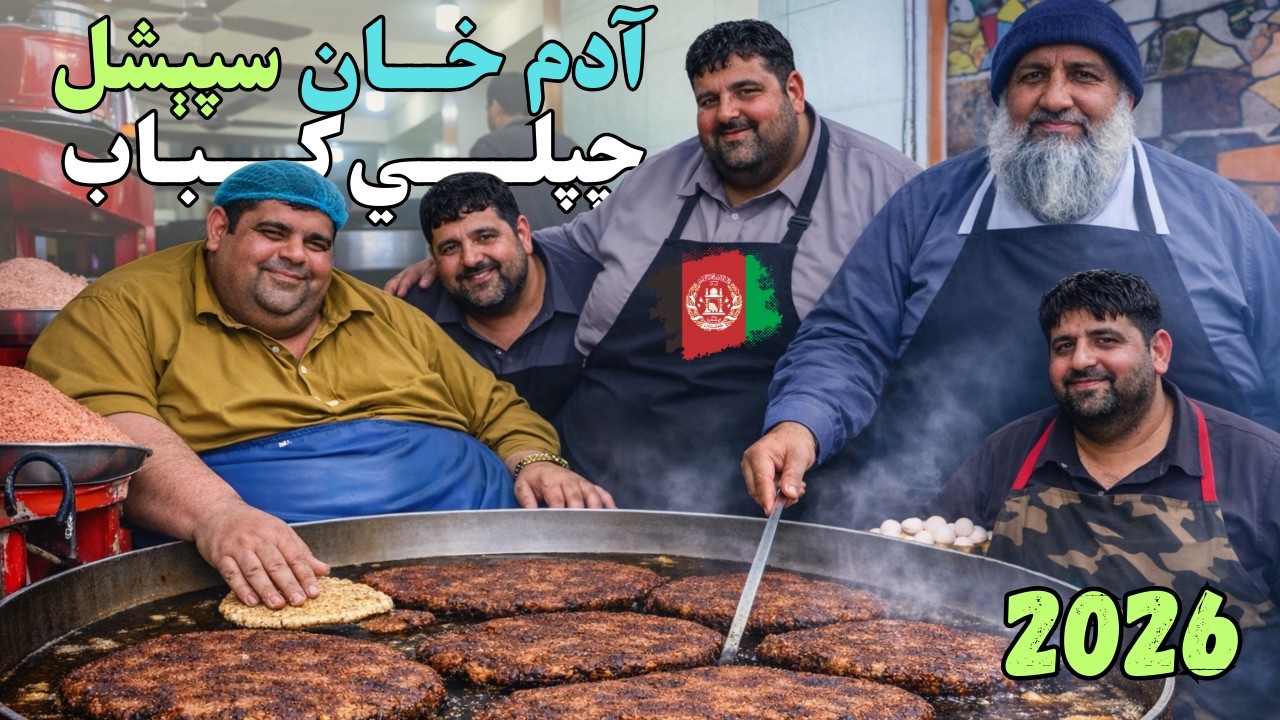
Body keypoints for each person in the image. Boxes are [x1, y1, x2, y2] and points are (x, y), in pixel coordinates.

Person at [743, 0, 1280, 528]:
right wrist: (800, 423)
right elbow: (847, 336)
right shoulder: (930, 205)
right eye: (1032, 76)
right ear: (1004, 98)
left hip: (1185, 546)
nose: (1055, 97)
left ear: (1125, 99)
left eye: (1084, 75)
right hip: (947, 536)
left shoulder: (1216, 215)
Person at [26, 161, 614, 611]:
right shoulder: (126, 304)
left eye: (316, 243)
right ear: (218, 228)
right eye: (273, 232)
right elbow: (107, 426)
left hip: (487, 547)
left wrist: (536, 461)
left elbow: (494, 407)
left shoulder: (386, 312)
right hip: (286, 576)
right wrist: (219, 516)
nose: (294, 256)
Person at [391, 20, 921, 516]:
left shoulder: (887, 189)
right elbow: (568, 244)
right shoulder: (655, 180)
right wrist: (466, 253)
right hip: (599, 487)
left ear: (794, 90)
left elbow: (879, 347)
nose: (726, 113)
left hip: (763, 492)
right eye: (708, 100)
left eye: (747, 91)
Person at [925, 269, 1280, 719]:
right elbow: (927, 578)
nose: (1080, 360)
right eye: (1063, 346)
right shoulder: (1008, 453)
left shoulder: (1262, 468)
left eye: (1106, 340)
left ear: (1158, 351)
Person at [406, 172, 600, 420]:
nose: (471, 258)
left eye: (485, 237)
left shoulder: (595, 288)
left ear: (522, 234)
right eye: (450, 248)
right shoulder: (413, 318)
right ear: (432, 257)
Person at [470, 73, 588, 231]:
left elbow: (481, 218)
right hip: (572, 251)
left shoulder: (488, 148)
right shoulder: (569, 146)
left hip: (524, 252)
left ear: (495, 107)